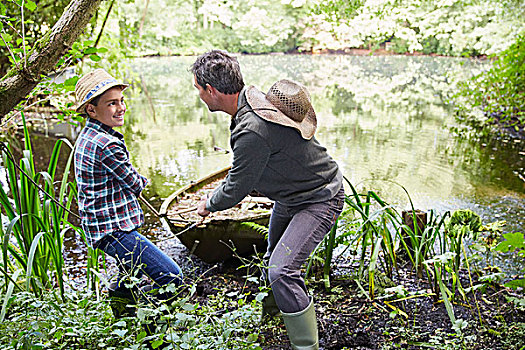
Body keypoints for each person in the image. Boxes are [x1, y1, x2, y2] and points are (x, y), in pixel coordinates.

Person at [191, 50, 344, 350]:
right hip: (293, 195)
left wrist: (208, 204)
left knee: (282, 269)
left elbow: (237, 187)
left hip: (319, 198)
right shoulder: (250, 98)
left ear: (211, 90)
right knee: (274, 254)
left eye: (198, 89)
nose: (198, 95)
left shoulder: (251, 129)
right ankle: (277, 316)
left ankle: (306, 346)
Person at [73, 68, 183, 303]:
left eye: (121, 101)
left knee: (130, 277)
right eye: (112, 103)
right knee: (173, 277)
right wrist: (144, 180)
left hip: (101, 227)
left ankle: (123, 315)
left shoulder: (88, 136)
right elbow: (134, 183)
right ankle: (153, 327)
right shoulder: (106, 144)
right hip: (113, 231)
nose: (121, 108)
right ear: (91, 109)